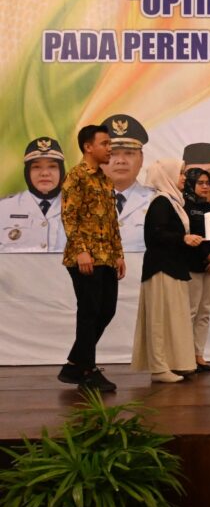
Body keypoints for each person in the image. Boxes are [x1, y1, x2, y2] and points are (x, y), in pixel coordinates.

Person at [59, 125, 126, 392]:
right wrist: (80, 251)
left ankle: (75, 364)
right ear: (88, 147)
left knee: (107, 310)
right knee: (89, 312)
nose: (110, 149)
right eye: (105, 143)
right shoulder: (76, 176)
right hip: (84, 257)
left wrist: (118, 254)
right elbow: (69, 216)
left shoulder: (105, 180)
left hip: (107, 257)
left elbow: (112, 221)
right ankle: (87, 371)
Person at [131, 159, 203, 383]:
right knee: (160, 320)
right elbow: (156, 234)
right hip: (161, 268)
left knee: (174, 318)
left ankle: (176, 363)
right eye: (180, 173)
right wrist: (183, 238)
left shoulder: (173, 202)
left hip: (173, 267)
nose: (184, 178)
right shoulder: (161, 202)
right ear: (168, 176)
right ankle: (159, 368)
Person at [183, 167, 210, 372]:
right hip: (192, 265)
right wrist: (206, 256)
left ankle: (198, 355)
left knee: (205, 311)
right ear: (190, 184)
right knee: (190, 311)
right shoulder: (184, 207)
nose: (205, 186)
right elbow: (187, 238)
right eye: (200, 183)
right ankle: (184, 357)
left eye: (208, 182)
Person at [0, 136, 67, 252]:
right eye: (36, 167)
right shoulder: (4, 208)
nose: (45, 173)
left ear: (61, 171)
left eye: (52, 166)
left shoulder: (81, 208)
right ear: (27, 172)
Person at [100, 114, 156, 252]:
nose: (121, 161)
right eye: (112, 154)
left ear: (141, 159)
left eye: (129, 153)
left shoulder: (157, 200)